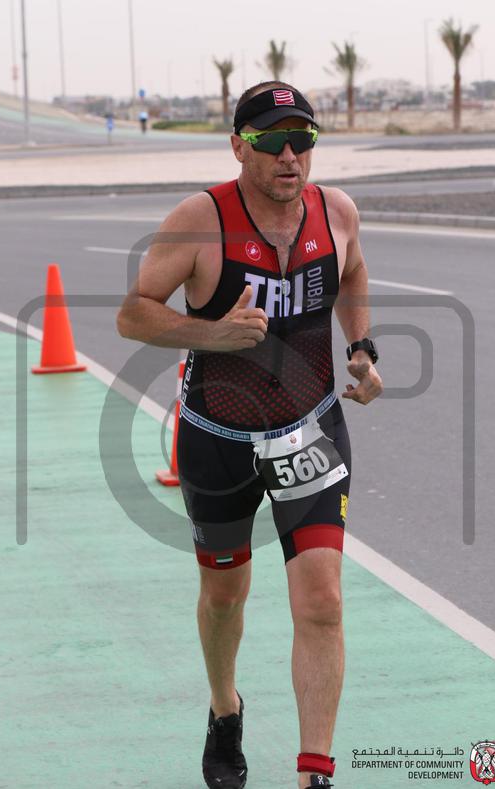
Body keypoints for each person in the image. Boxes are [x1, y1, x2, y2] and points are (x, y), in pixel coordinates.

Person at [117, 80, 383, 789]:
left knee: (322, 601)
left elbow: (354, 271)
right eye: (272, 142)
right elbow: (133, 313)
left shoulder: (337, 212)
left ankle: (314, 770)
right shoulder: (200, 220)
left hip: (310, 432)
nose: (290, 156)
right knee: (224, 597)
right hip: (217, 439)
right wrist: (212, 334)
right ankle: (224, 708)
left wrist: (362, 348)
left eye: (303, 139)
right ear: (240, 147)